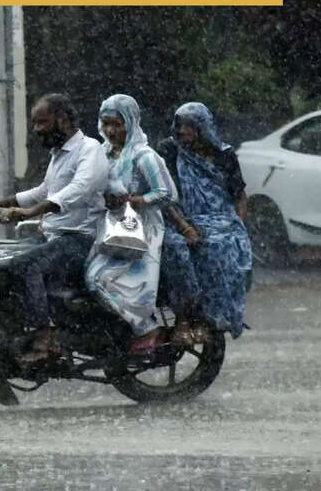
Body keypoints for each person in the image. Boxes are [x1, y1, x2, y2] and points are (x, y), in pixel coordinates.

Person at [0, 92, 109, 367]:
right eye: (35, 123)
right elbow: (43, 192)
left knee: (27, 265)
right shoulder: (58, 154)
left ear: (62, 120)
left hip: (81, 240)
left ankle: (45, 337)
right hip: (54, 236)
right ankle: (11, 333)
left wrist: (28, 213)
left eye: (42, 122)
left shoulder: (90, 149)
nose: (37, 129)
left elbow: (78, 191)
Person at [84, 94, 178, 355]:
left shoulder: (144, 156)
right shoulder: (101, 153)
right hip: (106, 224)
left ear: (131, 122)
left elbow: (168, 193)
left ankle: (146, 327)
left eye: (118, 124)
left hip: (138, 229)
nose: (111, 131)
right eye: (106, 124)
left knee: (98, 279)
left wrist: (136, 200)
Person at [156, 102, 252, 344]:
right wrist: (184, 225)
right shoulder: (170, 151)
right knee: (196, 247)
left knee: (227, 245)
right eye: (178, 126)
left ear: (202, 127)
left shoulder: (224, 155)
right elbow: (163, 195)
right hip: (182, 218)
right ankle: (190, 317)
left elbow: (238, 196)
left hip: (221, 217)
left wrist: (239, 227)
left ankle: (213, 318)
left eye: (187, 126)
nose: (181, 131)